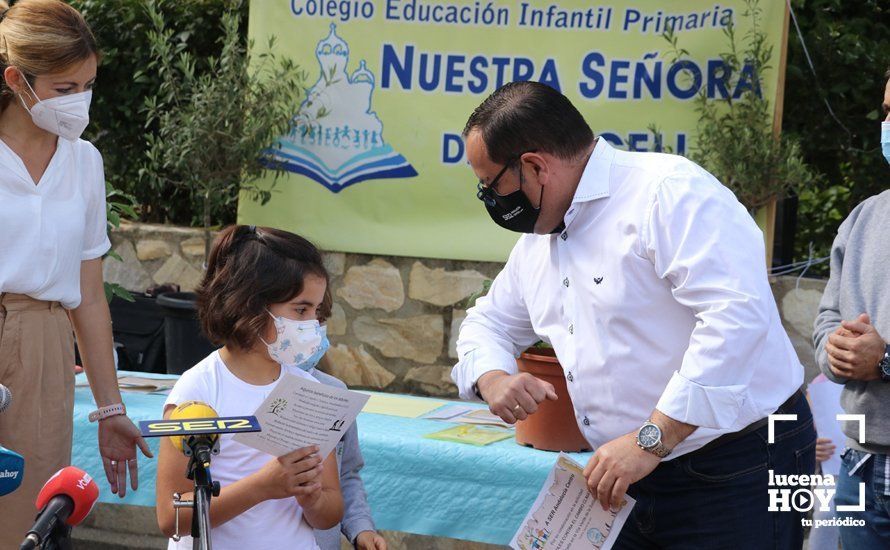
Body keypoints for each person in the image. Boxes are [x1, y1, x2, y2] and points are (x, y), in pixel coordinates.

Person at [452, 81, 815, 548]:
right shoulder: (538, 244)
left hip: (737, 463)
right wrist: (493, 378)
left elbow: (735, 318)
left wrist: (652, 439)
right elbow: (489, 322)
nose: (489, 199)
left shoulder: (666, 192)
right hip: (627, 474)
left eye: (491, 184)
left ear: (535, 166)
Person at [0, 1, 150, 546]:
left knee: (27, 518)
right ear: (17, 80)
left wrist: (111, 408)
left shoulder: (85, 162)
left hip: (44, 343)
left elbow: (88, 295)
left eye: (88, 84)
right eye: (65, 88)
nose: (79, 101)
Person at [156, 225, 343, 549]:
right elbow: (171, 516)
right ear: (251, 305)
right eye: (301, 309)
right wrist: (262, 487)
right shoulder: (199, 389)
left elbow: (331, 509)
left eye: (316, 311)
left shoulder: (307, 389)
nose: (312, 323)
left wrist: (312, 500)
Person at [811, 69, 890, 549]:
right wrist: (834, 350)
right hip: (860, 468)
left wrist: (883, 361)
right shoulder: (864, 217)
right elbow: (825, 321)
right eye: (887, 110)